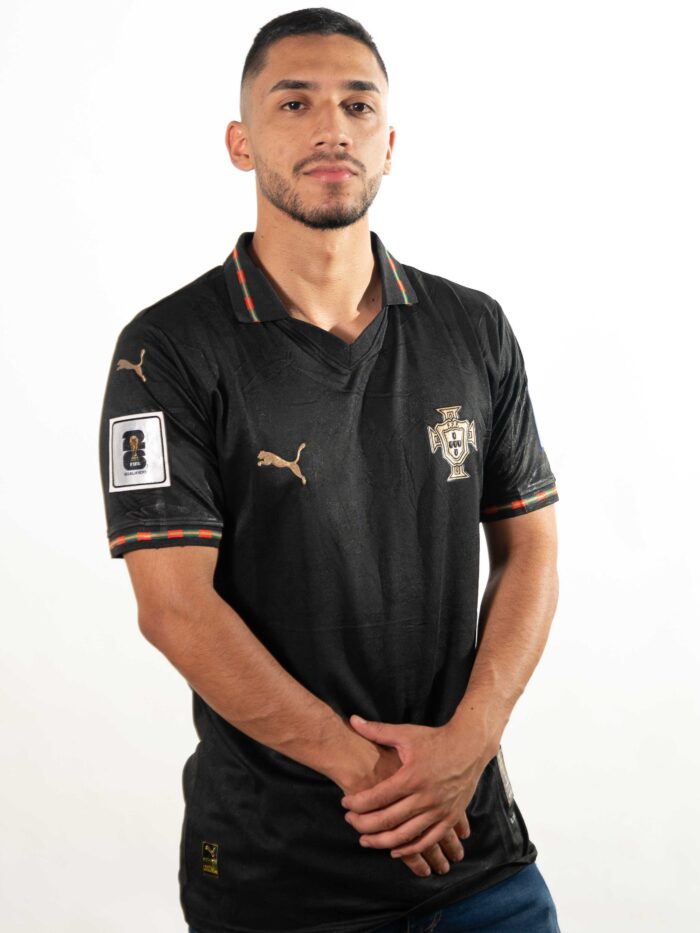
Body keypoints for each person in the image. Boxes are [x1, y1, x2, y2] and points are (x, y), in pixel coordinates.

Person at [98, 7, 562, 932]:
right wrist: (380, 777)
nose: (332, 128)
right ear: (240, 143)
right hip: (279, 882)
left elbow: (531, 553)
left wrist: (469, 745)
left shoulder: (473, 328)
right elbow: (175, 608)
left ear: (389, 143)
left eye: (358, 105)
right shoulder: (167, 351)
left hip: (480, 864)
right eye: (295, 102)